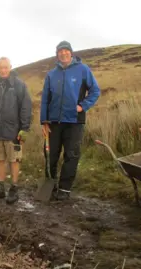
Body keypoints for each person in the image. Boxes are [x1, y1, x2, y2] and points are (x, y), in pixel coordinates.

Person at [40, 41, 101, 201]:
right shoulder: (51, 74)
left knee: (71, 155)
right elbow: (45, 99)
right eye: (60, 51)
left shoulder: (83, 70)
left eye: (66, 51)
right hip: (53, 122)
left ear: (71, 53)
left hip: (74, 122)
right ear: (57, 55)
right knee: (50, 155)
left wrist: (83, 106)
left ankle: (64, 189)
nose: (63, 53)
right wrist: (44, 121)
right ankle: (50, 185)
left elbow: (95, 90)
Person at [0, 57, 32, 204]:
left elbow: (26, 107)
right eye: (1, 67)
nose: (3, 70)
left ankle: (14, 188)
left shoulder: (19, 85)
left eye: (6, 67)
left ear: (10, 67)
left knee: (14, 159)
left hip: (13, 131)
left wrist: (24, 128)